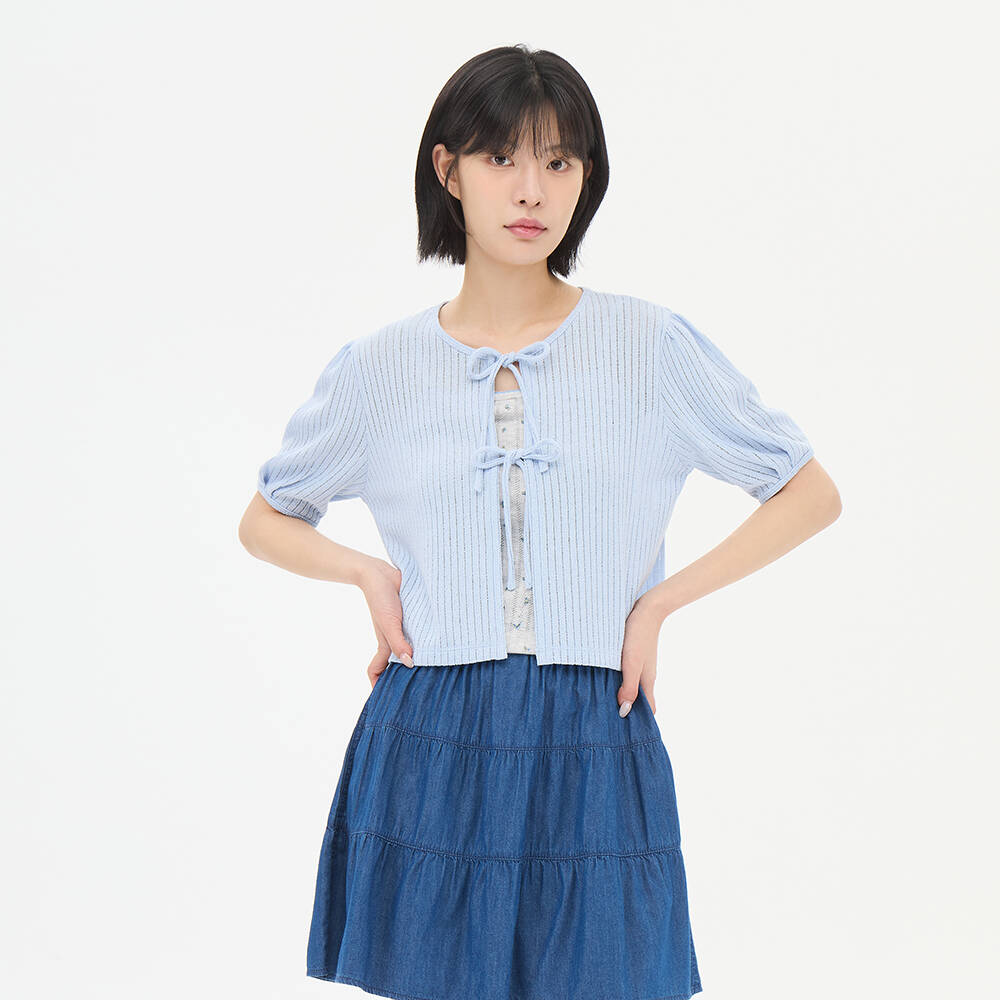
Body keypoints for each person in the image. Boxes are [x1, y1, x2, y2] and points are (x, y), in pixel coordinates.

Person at [239, 43, 841, 1000]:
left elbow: (807, 491)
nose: (532, 190)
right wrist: (366, 572)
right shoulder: (379, 369)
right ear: (449, 171)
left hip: (594, 724)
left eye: (559, 162)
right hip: (432, 728)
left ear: (584, 179)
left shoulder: (648, 346)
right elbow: (266, 518)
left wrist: (655, 606)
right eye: (501, 159)